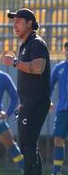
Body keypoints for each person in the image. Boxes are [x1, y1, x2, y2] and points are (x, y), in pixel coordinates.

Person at [2, 8, 50, 175]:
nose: (14, 25)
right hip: (29, 103)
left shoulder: (36, 42)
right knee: (28, 144)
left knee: (27, 144)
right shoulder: (27, 44)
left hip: (35, 102)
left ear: (29, 23)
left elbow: (38, 68)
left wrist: (14, 62)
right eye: (13, 22)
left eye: (18, 21)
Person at [0, 49, 24, 171]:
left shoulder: (3, 77)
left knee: (11, 144)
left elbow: (15, 97)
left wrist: (7, 114)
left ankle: (27, 170)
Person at [50, 42, 68, 175]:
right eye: (67, 50)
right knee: (58, 139)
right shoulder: (59, 67)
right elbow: (49, 86)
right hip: (62, 110)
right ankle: (56, 172)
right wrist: (48, 101)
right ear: (64, 51)